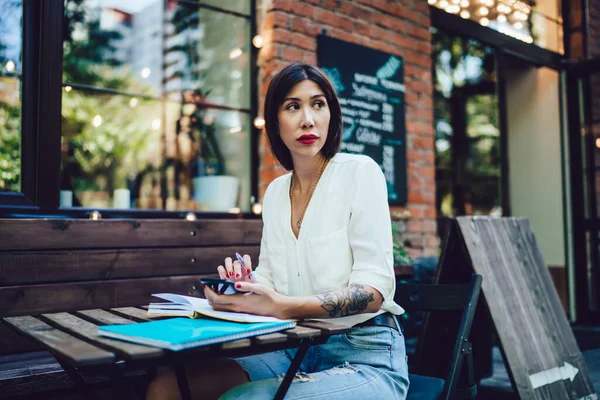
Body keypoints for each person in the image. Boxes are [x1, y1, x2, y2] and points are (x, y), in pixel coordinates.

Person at [146, 62, 409, 400]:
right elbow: (269, 279)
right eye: (292, 107)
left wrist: (285, 306)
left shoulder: (360, 172)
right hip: (291, 349)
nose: (308, 120)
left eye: (318, 104)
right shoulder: (274, 193)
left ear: (332, 114)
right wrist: (241, 289)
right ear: (275, 122)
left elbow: (374, 293)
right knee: (166, 388)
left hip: (363, 353)